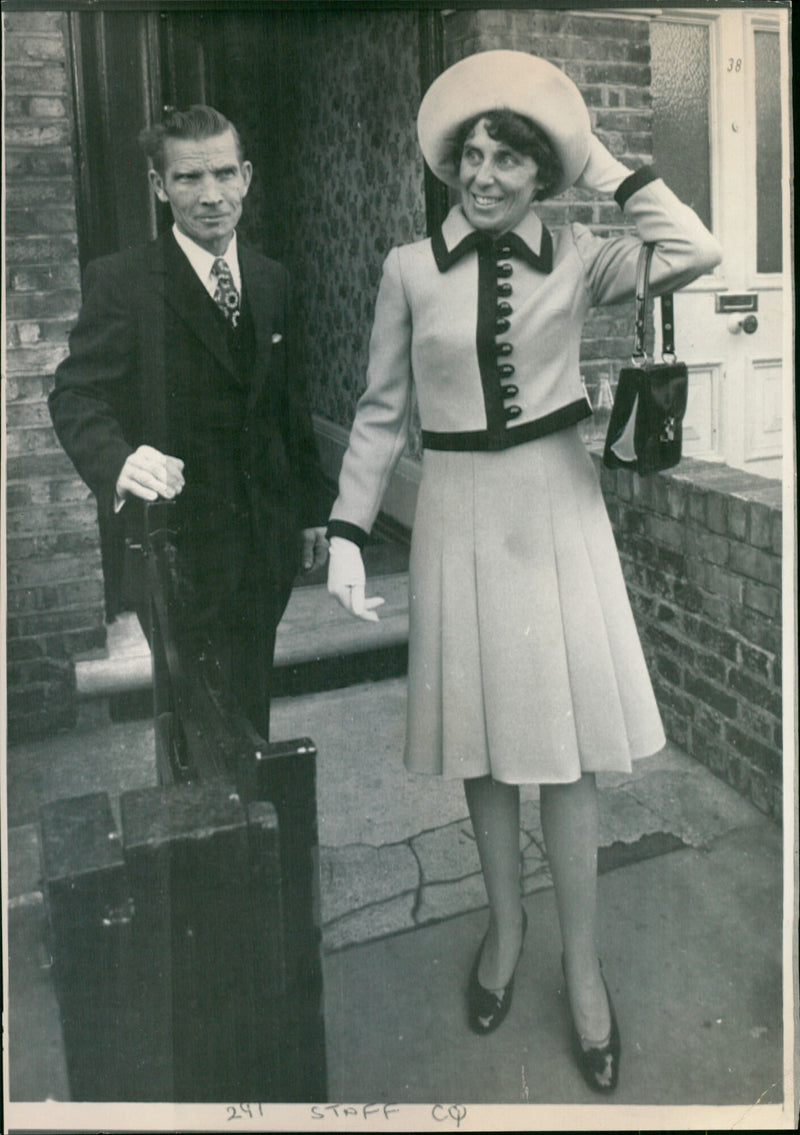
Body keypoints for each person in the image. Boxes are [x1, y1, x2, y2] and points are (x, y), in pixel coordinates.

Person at [327, 51, 722, 1092]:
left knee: (565, 751)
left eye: (508, 157)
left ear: (539, 171)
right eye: (471, 154)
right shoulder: (407, 269)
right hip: (457, 512)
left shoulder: (584, 256)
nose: (485, 174)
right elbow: (379, 412)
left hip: (554, 506)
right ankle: (502, 934)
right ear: (449, 165)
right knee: (487, 743)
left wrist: (600, 162)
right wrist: (343, 529)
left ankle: (581, 969)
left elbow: (696, 247)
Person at [49, 105, 328, 741]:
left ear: (247, 176)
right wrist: (119, 462)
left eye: (225, 174)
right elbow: (75, 394)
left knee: (249, 698)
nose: (211, 196)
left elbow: (290, 405)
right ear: (158, 187)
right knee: (194, 720)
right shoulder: (122, 282)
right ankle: (210, 834)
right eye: (188, 179)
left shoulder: (270, 278)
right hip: (177, 552)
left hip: (265, 547)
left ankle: (251, 829)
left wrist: (313, 509)